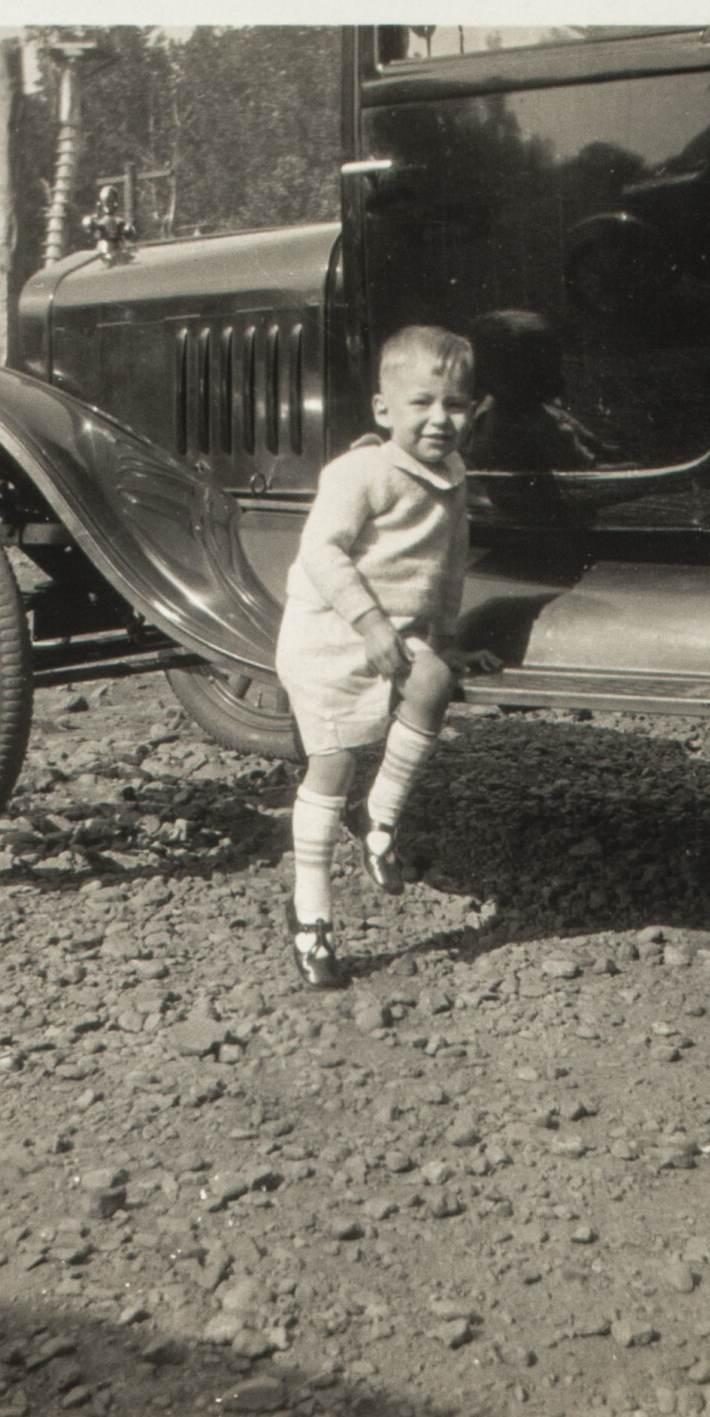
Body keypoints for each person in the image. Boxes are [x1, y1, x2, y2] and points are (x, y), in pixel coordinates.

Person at [274, 325, 503, 989]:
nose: (440, 419)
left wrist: (448, 638)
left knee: (432, 681)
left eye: (455, 405)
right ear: (383, 410)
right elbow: (321, 552)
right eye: (421, 403)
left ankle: (381, 822)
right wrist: (370, 620)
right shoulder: (360, 472)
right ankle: (311, 914)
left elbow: (448, 566)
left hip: (395, 630)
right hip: (329, 628)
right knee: (333, 763)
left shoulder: (454, 477)